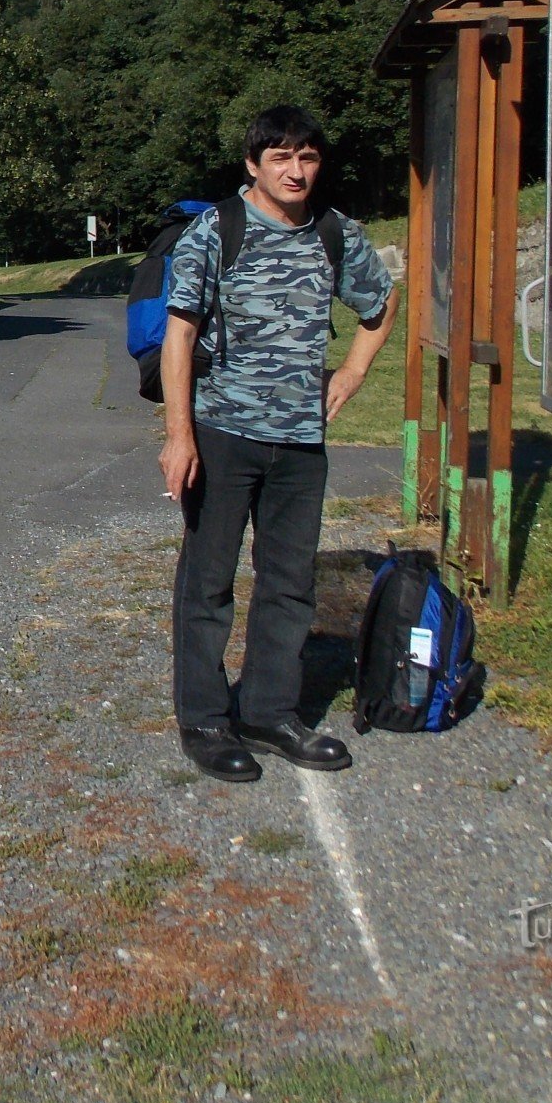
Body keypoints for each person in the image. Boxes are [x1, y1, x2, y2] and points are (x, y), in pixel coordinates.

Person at [158, 105, 397, 782]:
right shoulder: (217, 231)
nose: (296, 171)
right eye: (281, 157)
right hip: (223, 434)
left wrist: (351, 371)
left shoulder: (334, 233)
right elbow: (179, 334)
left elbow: (381, 305)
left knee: (290, 583)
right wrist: (180, 437)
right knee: (207, 584)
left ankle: (268, 710)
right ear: (253, 164)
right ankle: (205, 719)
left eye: (308, 157)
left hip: (299, 441)